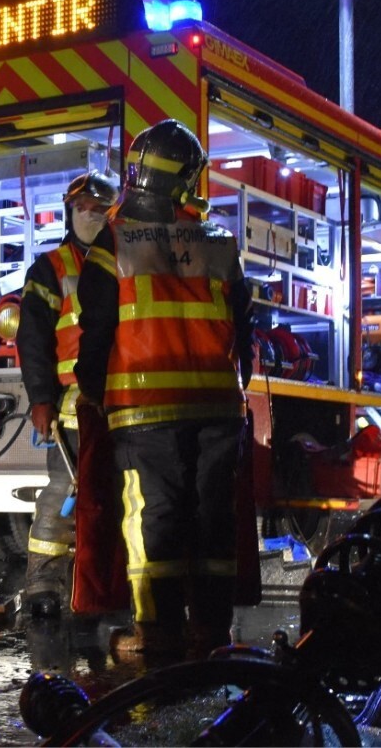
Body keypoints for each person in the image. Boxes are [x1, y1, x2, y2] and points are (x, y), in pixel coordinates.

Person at [74, 119, 253, 658]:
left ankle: (156, 631)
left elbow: (97, 326)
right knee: (212, 518)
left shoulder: (115, 240)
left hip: (143, 408)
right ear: (184, 179)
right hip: (219, 407)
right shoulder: (219, 243)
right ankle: (212, 628)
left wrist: (89, 391)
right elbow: (244, 329)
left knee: (155, 518)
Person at [16, 171, 119, 617]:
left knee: (115, 498)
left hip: (121, 405)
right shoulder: (51, 268)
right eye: (84, 209)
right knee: (61, 494)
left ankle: (106, 588)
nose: (91, 217)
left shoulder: (124, 259)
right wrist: (41, 399)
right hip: (72, 409)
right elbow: (33, 339)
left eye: (101, 211)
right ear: (69, 212)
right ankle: (44, 587)